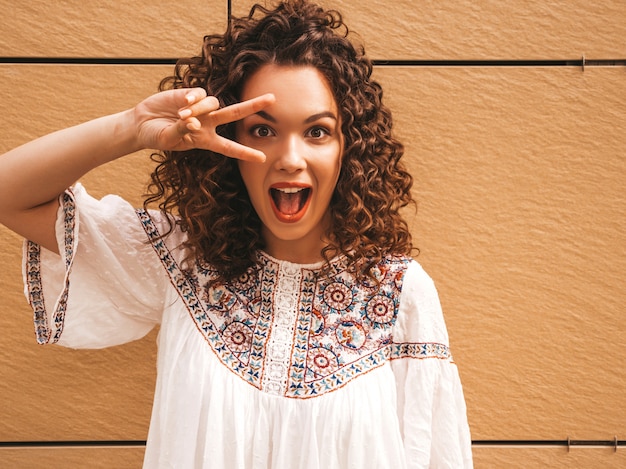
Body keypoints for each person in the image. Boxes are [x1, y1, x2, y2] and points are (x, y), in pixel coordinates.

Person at [0, 1, 473, 467]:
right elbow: (9, 194)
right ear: (229, 146)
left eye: (317, 132)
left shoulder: (399, 291)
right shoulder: (180, 259)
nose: (289, 158)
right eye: (263, 131)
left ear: (349, 149)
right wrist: (132, 127)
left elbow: (433, 454)